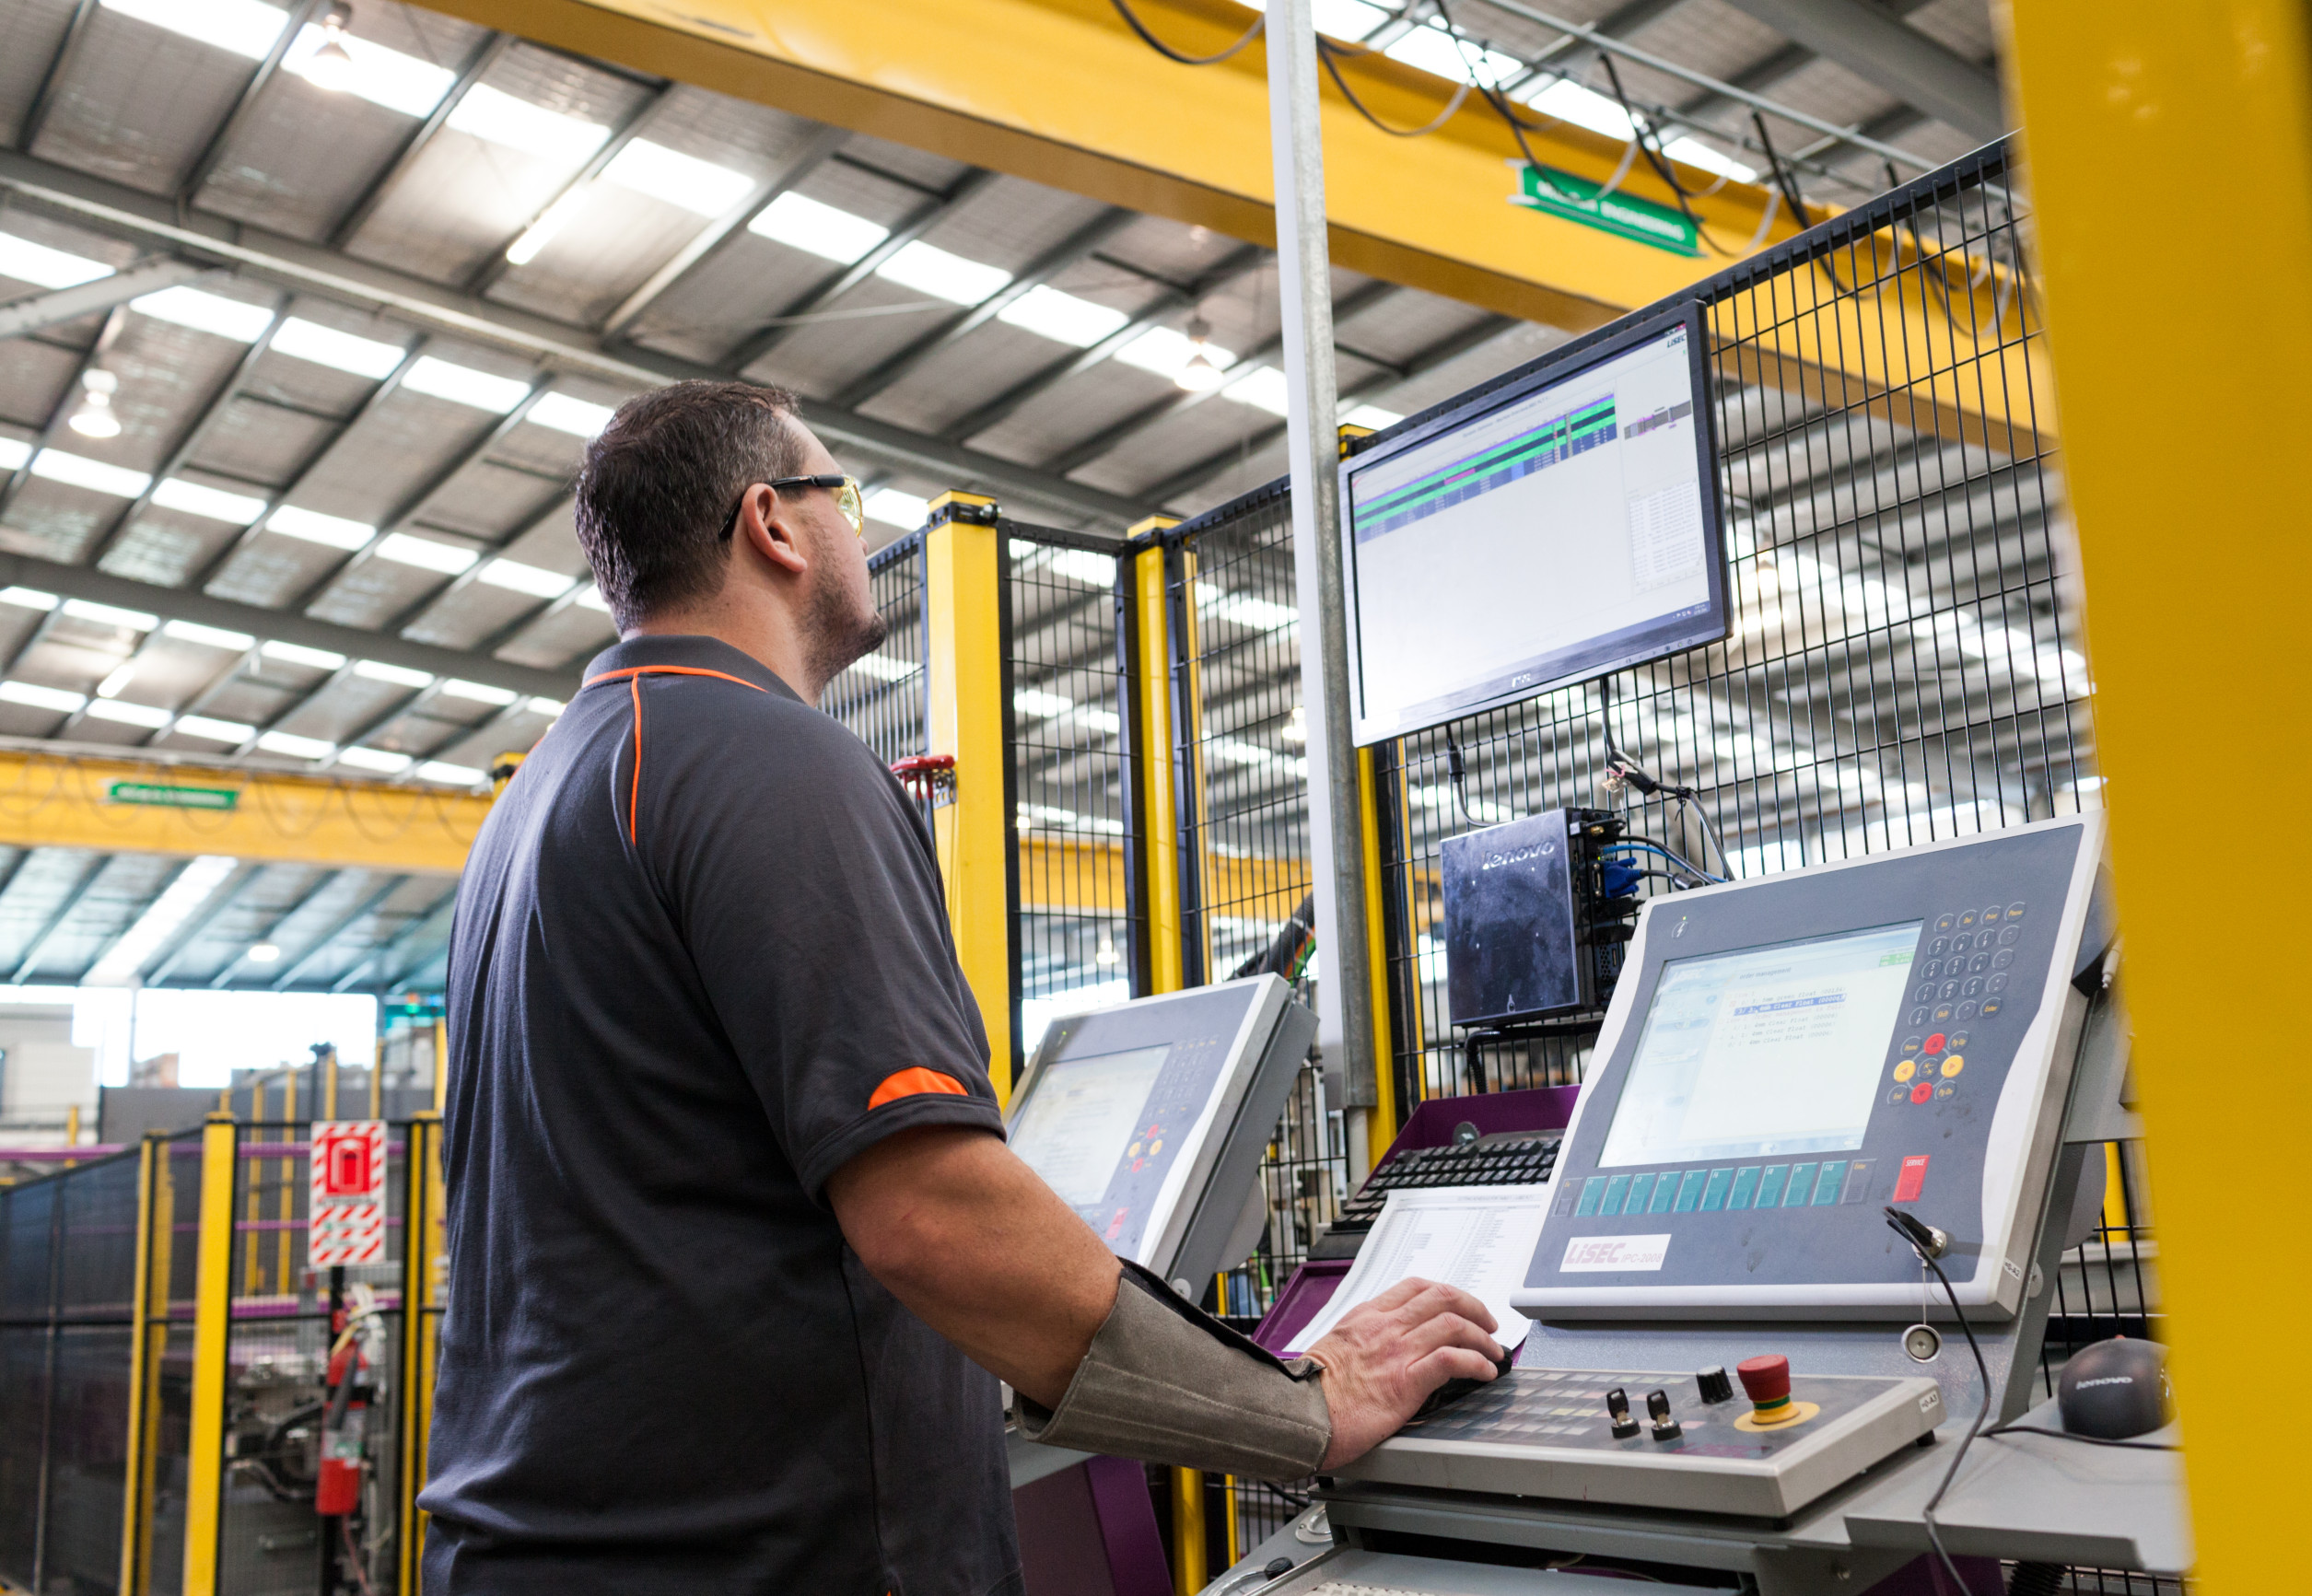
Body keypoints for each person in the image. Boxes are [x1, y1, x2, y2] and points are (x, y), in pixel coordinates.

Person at [422, 379, 1504, 1595]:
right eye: (846, 496)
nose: (861, 531)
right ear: (773, 522)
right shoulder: (768, 756)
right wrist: (1306, 1407)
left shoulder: (541, 796)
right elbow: (935, 1218)